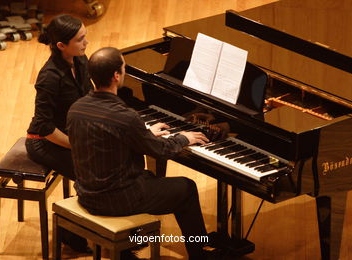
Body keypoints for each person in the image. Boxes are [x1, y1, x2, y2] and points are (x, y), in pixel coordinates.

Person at [67, 47, 218, 260]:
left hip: (87, 193)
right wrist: (184, 138)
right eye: (124, 67)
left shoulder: (76, 108)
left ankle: (129, 246)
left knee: (150, 179)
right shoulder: (125, 117)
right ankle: (200, 252)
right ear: (117, 76)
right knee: (186, 188)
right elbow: (161, 150)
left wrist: (145, 134)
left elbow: (109, 140)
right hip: (116, 199)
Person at [25, 14, 93, 253]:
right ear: (62, 45)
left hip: (69, 136)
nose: (86, 43)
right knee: (92, 173)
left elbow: (90, 98)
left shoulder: (81, 62)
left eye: (85, 37)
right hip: (45, 143)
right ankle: (70, 231)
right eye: (80, 39)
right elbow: (44, 128)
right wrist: (79, 146)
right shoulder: (49, 77)